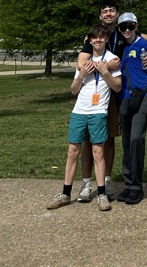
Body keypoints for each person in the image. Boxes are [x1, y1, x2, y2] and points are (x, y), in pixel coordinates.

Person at [77, 0, 147, 202]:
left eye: (112, 10)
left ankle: (110, 181)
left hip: (120, 92)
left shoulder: (124, 33)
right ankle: (87, 183)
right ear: (100, 15)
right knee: (90, 140)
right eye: (105, 11)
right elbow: (81, 64)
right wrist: (107, 66)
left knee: (112, 138)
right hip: (102, 91)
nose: (108, 14)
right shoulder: (94, 36)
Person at [47, 26, 122, 211]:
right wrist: (80, 76)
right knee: (73, 151)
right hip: (79, 111)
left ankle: (102, 194)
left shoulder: (112, 60)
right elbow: (73, 90)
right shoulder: (84, 62)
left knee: (98, 152)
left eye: (101, 38)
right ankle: (65, 193)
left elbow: (118, 87)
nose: (98, 41)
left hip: (98, 112)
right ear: (89, 40)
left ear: (106, 39)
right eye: (94, 38)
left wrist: (105, 72)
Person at [117, 12, 147, 205]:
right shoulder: (120, 46)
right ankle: (128, 182)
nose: (127, 30)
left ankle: (137, 185)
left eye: (130, 26)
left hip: (142, 95)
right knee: (126, 141)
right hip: (124, 97)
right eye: (123, 27)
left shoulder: (144, 45)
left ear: (136, 26)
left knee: (136, 139)